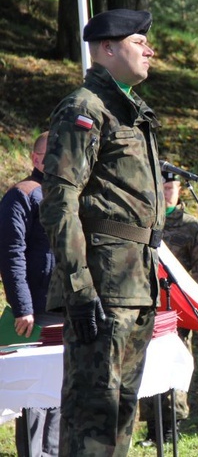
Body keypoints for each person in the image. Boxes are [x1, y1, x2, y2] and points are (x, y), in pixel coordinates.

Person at [39, 9, 165, 455]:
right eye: (139, 41)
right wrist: (79, 285)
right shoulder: (85, 108)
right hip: (103, 287)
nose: (150, 50)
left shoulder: (129, 111)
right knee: (91, 421)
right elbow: (59, 202)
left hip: (136, 285)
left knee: (121, 421)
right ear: (107, 48)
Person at [139, 170, 198, 444]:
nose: (166, 191)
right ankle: (151, 429)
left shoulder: (190, 225)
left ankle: (172, 428)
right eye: (161, 186)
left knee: (173, 363)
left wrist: (190, 300)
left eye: (170, 186)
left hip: (176, 308)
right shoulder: (143, 220)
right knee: (146, 363)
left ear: (180, 189)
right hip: (147, 306)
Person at [0, 131, 63, 456]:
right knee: (35, 395)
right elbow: (11, 253)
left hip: (68, 309)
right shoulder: (21, 195)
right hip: (36, 311)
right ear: (36, 158)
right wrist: (22, 306)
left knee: (60, 392)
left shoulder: (67, 193)